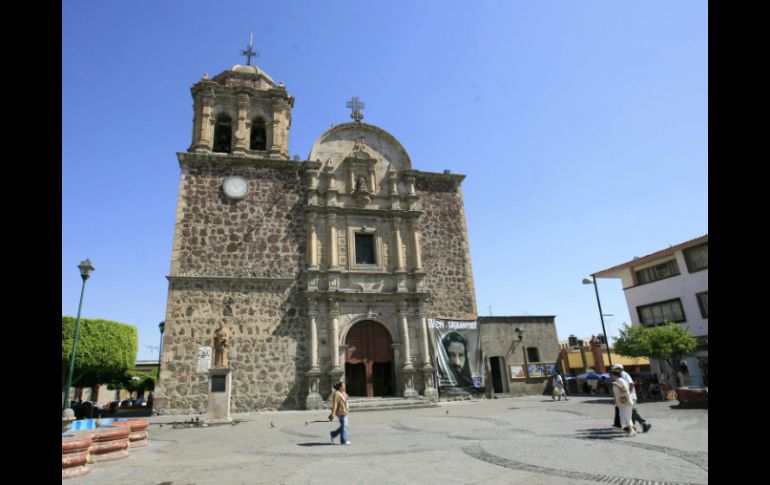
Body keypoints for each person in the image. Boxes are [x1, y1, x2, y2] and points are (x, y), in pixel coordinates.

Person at [611, 364, 651, 433]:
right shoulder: (621, 375)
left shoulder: (624, 374)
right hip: (627, 396)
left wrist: (628, 394)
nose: (614, 370)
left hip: (630, 396)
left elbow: (631, 384)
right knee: (630, 412)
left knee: (632, 411)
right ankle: (632, 428)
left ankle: (643, 424)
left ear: (619, 369)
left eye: (615, 369)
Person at [610, 368, 636, 436]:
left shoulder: (620, 381)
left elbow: (625, 390)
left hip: (625, 402)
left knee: (626, 416)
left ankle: (631, 431)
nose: (611, 376)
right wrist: (615, 401)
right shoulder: (617, 381)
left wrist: (617, 385)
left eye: (611, 375)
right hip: (622, 402)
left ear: (615, 375)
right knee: (626, 416)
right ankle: (632, 431)